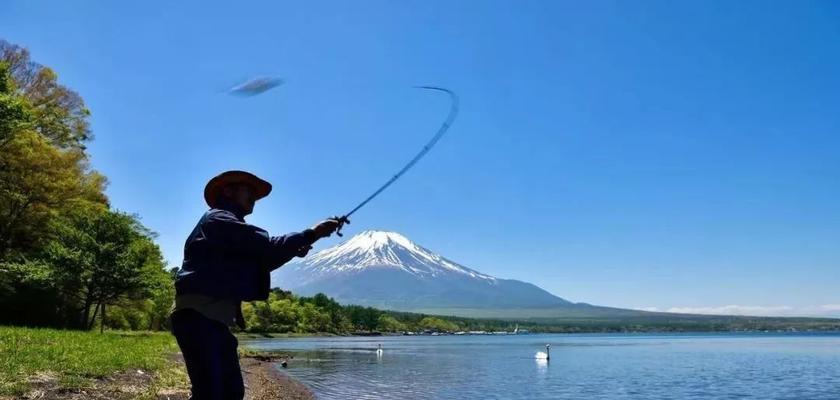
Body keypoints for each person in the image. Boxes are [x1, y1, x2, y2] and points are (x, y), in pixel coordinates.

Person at [170, 170, 340, 400]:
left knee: (231, 393)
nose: (253, 197)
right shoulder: (218, 219)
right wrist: (312, 233)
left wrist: (305, 240)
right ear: (228, 191)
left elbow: (263, 260)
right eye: (247, 190)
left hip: (213, 321)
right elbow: (266, 247)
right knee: (210, 392)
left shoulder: (228, 230)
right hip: (198, 318)